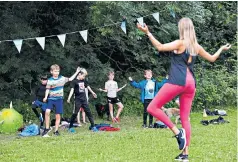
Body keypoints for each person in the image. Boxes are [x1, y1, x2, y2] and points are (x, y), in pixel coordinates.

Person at [137, 17, 231, 161]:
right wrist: (221, 48)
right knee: (185, 118)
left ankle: (177, 132)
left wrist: (148, 32)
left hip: (178, 80)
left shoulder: (180, 43)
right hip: (190, 83)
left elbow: (160, 47)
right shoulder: (196, 46)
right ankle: (185, 155)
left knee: (152, 107)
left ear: (182, 29)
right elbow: (212, 58)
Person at [42, 64, 80, 137]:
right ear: (51, 72)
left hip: (59, 100)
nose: (56, 73)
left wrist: (77, 72)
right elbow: (47, 89)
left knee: (58, 116)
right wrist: (46, 97)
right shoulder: (49, 80)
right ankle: (47, 128)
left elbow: (70, 79)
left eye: (58, 71)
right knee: (47, 112)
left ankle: (56, 131)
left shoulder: (62, 78)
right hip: (51, 99)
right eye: (55, 71)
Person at [67, 68, 98, 132]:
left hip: (84, 99)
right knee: (75, 113)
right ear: (79, 74)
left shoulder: (84, 81)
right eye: (83, 76)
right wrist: (69, 98)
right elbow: (72, 90)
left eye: (84, 76)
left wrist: (93, 93)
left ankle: (93, 126)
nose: (84, 77)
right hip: (78, 100)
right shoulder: (74, 81)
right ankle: (70, 127)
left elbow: (88, 87)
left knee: (88, 112)